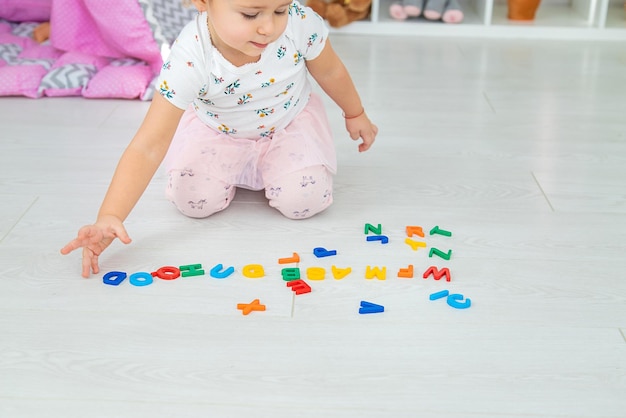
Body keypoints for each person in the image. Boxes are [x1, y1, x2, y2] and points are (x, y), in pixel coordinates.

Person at [61, 0, 378, 278]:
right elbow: (148, 145)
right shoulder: (190, 55)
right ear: (203, 1)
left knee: (304, 202)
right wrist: (110, 216)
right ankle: (234, 171)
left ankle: (273, 169)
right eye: (250, 14)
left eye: (280, 9)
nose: (269, 27)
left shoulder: (299, 23)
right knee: (193, 201)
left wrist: (355, 112)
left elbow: (331, 72)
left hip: (286, 126)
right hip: (217, 133)